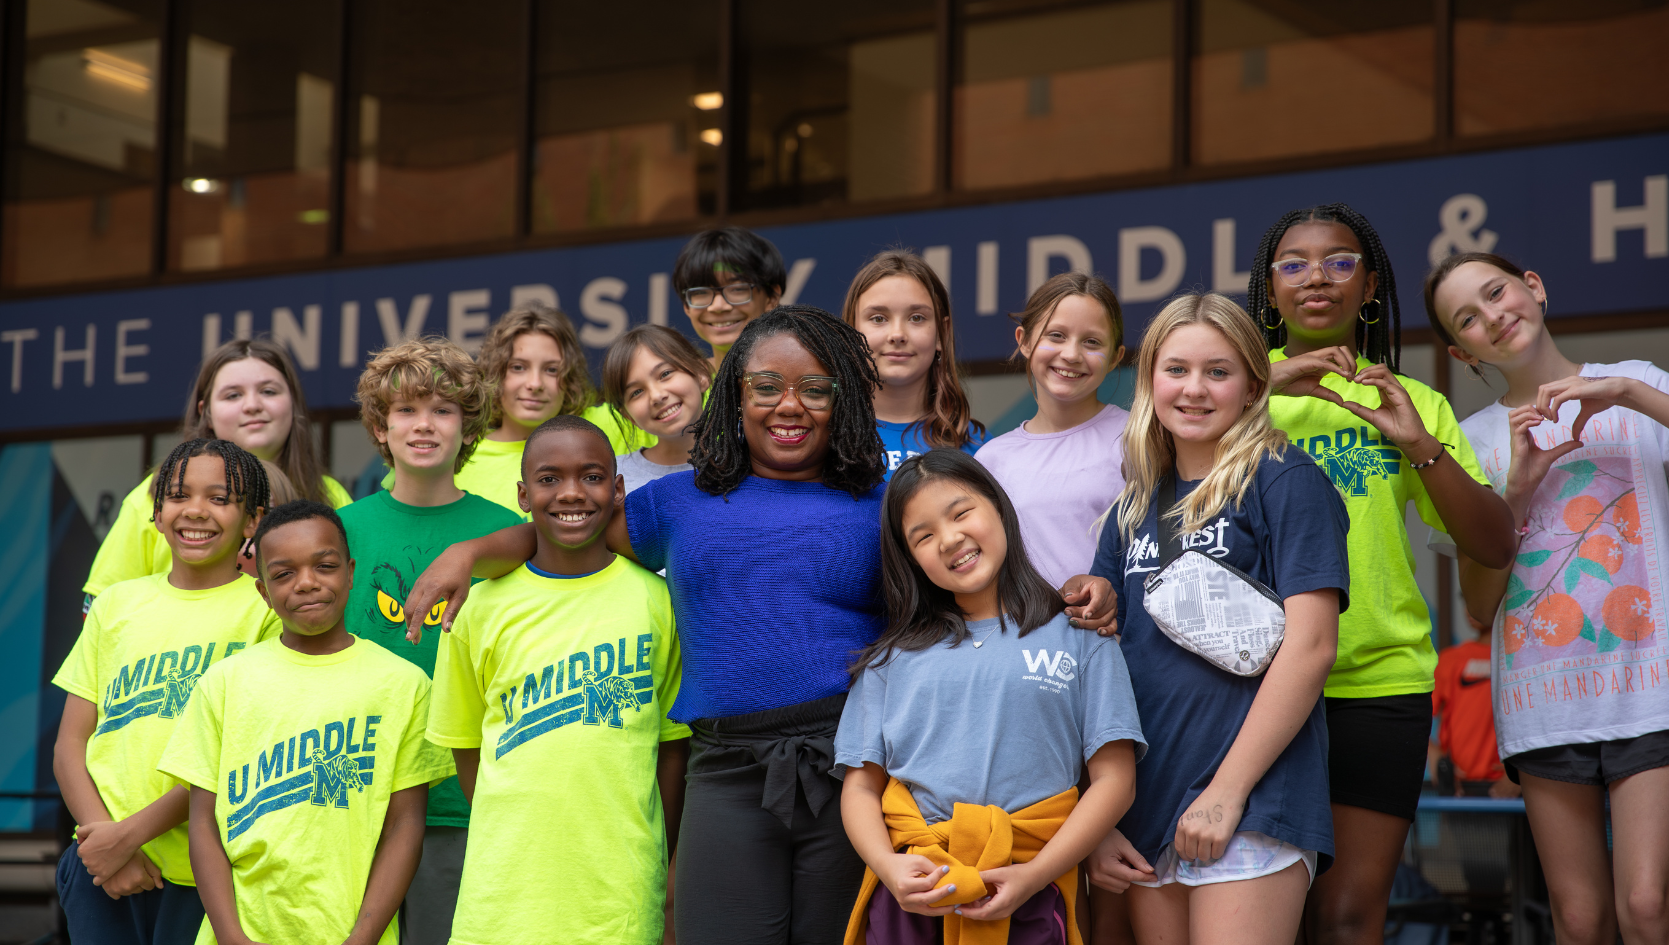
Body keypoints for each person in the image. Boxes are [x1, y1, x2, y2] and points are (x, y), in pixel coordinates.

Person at [398, 306, 1118, 945]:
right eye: (766, 386)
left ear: (843, 399)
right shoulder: (679, 502)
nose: (789, 405)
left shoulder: (883, 502)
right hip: (726, 773)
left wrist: (1079, 592)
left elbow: (968, 586)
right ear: (734, 396)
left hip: (854, 770)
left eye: (814, 388)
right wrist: (471, 550)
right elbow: (568, 523)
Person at [1245, 204, 1516, 945]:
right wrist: (1263, 387)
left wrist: (1420, 443)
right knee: (1262, 918)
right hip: (1249, 684)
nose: (1316, 278)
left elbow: (1494, 544)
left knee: (1347, 919)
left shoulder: (1414, 401)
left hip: (1377, 684)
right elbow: (1151, 456)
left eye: (1339, 262)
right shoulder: (1227, 394)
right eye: (1293, 263)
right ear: (1269, 290)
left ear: (1369, 287)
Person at [1424, 251, 1669, 945]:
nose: (1493, 316)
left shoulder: (1636, 389)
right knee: (1579, 918)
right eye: (1467, 318)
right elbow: (1478, 604)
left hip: (1650, 688)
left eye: (1497, 291)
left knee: (1650, 906)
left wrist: (1623, 392)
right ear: (1460, 349)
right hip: (1543, 700)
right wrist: (1516, 492)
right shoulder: (1474, 442)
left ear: (1533, 287)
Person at [1083, 292, 1348, 945]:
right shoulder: (1132, 505)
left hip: (1252, 798)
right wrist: (1100, 813)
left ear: (1253, 385)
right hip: (1149, 804)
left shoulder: (1283, 477)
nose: (1194, 388)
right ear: (1149, 381)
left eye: (1218, 371)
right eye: (1176, 369)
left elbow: (1312, 646)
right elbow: (1099, 670)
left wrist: (1228, 792)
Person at [835, 449, 1143, 944]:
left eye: (961, 513)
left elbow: (1115, 780)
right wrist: (888, 867)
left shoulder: (1082, 637)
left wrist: (1035, 875)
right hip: (916, 893)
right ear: (910, 559)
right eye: (924, 536)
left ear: (999, 507)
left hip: (1032, 886)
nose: (950, 538)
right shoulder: (887, 661)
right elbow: (861, 787)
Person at [427, 414, 689, 945]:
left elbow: (671, 751)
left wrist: (663, 864)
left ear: (618, 489)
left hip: (622, 891)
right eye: (549, 479)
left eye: (591, 477)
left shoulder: (657, 601)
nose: (571, 493)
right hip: (504, 895)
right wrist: (516, 829)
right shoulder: (480, 609)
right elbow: (467, 748)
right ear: (523, 495)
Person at [159, 500, 454, 945]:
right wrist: (230, 936)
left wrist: (363, 938)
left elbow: (405, 826)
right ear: (262, 592)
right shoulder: (224, 682)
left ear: (351, 572)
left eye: (325, 566)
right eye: (283, 574)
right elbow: (203, 825)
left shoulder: (403, 685)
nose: (307, 584)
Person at [52, 440, 278, 945]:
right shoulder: (116, 604)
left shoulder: (265, 611)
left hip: (207, 871)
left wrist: (129, 838)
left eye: (219, 498)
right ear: (156, 513)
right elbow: (70, 744)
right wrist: (104, 845)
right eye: (177, 495)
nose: (195, 510)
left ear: (252, 521)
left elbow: (232, 760)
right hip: (98, 866)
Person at [340, 337, 525, 945]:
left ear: (468, 426)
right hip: (350, 793)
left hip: (460, 800)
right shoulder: (338, 530)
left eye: (443, 410)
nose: (424, 425)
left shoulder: (508, 533)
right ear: (380, 425)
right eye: (406, 410)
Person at [83, 338, 352, 605]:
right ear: (206, 412)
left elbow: (355, 595)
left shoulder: (330, 495)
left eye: (268, 391)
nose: (252, 405)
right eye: (233, 395)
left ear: (293, 403)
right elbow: (102, 606)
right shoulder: (154, 494)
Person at [418, 306, 652, 516]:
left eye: (551, 370)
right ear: (495, 373)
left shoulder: (606, 424)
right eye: (518, 367)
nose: (535, 383)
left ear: (569, 378)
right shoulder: (459, 454)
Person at [976, 271, 1127, 590]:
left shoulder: (1138, 438)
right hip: (1021, 638)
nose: (1071, 355)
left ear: (1115, 357)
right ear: (1025, 341)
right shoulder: (991, 459)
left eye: (1092, 342)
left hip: (1113, 638)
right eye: (1055, 335)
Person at [840, 250, 988, 477]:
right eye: (878, 318)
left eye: (916, 318)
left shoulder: (983, 450)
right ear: (851, 332)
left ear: (942, 333)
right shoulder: (823, 441)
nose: (897, 334)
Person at [600, 324, 713, 494]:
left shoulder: (750, 464)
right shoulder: (612, 478)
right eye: (637, 392)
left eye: (665, 374)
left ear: (702, 374)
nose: (656, 396)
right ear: (628, 416)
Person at [672, 226, 786, 369]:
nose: (718, 306)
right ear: (686, 306)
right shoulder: (687, 387)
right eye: (701, 292)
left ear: (772, 297)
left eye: (737, 289)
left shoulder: (804, 378)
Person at [1428, 615, 1514, 797]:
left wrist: (1522, 772)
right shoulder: (1450, 658)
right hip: (1459, 789)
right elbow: (1418, 719)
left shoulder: (1521, 656)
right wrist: (1436, 760)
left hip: (1511, 791)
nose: (1468, 607)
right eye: (1464, 597)